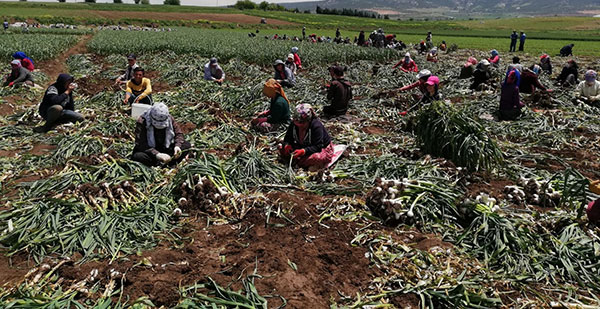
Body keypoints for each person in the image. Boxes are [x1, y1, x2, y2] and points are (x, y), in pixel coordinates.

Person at [279, 104, 335, 170]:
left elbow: (318, 146)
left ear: (308, 121)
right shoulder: (294, 124)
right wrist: (287, 145)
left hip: (320, 148)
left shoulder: (316, 126)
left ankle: (297, 162)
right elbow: (288, 137)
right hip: (302, 145)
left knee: (316, 158)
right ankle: (297, 160)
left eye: (301, 124)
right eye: (297, 123)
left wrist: (304, 151)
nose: (299, 126)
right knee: (281, 147)